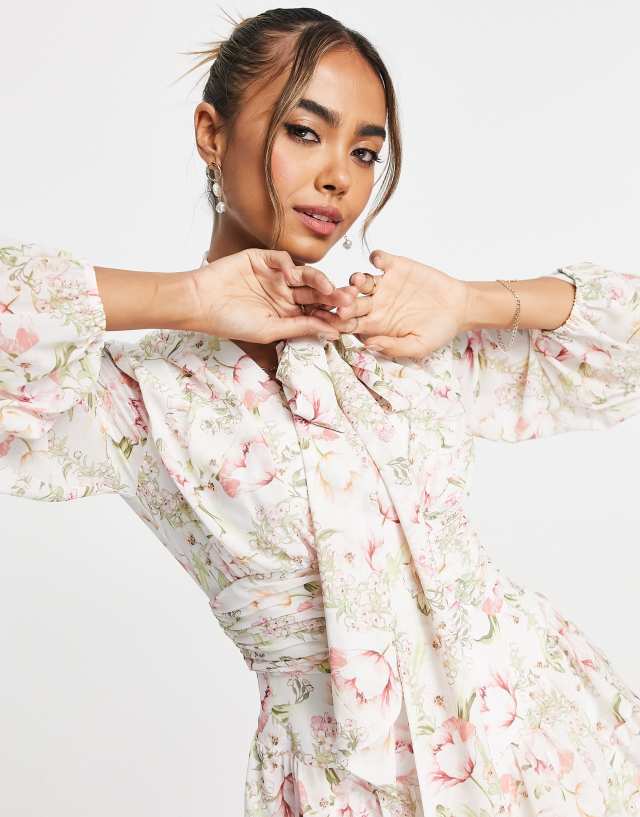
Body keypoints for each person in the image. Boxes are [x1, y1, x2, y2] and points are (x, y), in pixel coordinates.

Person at [2, 7, 640, 816]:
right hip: (344, 786)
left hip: (549, 744)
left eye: (365, 151)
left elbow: (625, 335)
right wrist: (190, 298)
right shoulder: (140, 399)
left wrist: (470, 301)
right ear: (211, 134)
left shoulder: (396, 336)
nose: (340, 176)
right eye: (306, 132)